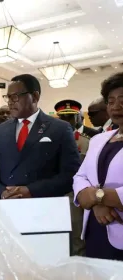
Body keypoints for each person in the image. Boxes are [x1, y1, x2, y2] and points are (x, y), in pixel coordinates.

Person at [0, 74, 80, 199]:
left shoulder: (60, 128)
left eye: (15, 96)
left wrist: (31, 191)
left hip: (43, 205)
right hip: (6, 205)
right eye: (8, 97)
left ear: (34, 97)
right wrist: (1, 192)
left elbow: (71, 174)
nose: (11, 102)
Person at [73, 72, 123, 261]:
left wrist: (98, 197)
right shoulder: (98, 139)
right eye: (110, 101)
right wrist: (92, 200)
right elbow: (80, 176)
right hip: (95, 228)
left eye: (122, 100)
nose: (116, 107)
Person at [54, 99, 89, 256]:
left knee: (78, 237)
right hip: (53, 193)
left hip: (77, 195)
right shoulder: (49, 140)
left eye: (71, 117)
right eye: (63, 117)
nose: (67, 120)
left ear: (78, 117)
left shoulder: (88, 141)